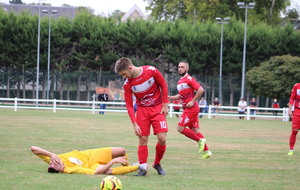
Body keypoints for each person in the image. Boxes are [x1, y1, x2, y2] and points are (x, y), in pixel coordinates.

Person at [114, 57, 169, 176]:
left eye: (124, 74)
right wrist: (134, 124)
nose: (124, 76)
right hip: (142, 111)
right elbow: (129, 105)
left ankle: (157, 163)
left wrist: (165, 105)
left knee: (162, 138)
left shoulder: (151, 70)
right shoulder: (127, 84)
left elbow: (163, 85)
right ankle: (143, 168)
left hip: (157, 108)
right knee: (143, 139)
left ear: (130, 68)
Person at [168, 60, 212, 159]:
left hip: (191, 109)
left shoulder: (189, 79)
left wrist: (192, 101)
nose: (180, 69)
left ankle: (200, 141)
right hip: (189, 109)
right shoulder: (180, 81)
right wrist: (170, 97)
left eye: (182, 67)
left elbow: (201, 90)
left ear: (187, 68)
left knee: (180, 128)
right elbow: (181, 95)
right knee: (195, 130)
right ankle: (207, 151)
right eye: (179, 67)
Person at [31, 146, 147, 175]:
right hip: (91, 166)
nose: (53, 162)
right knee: (105, 171)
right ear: (60, 169)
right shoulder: (71, 169)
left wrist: (51, 154)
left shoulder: (53, 158)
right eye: (54, 165)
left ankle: (127, 165)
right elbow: (96, 173)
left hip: (90, 154)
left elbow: (33, 148)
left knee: (121, 150)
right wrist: (112, 161)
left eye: (51, 163)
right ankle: (138, 167)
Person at [287, 83, 300, 156]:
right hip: (297, 111)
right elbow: (292, 98)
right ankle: (291, 149)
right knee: (294, 131)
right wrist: (289, 110)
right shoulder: (296, 86)